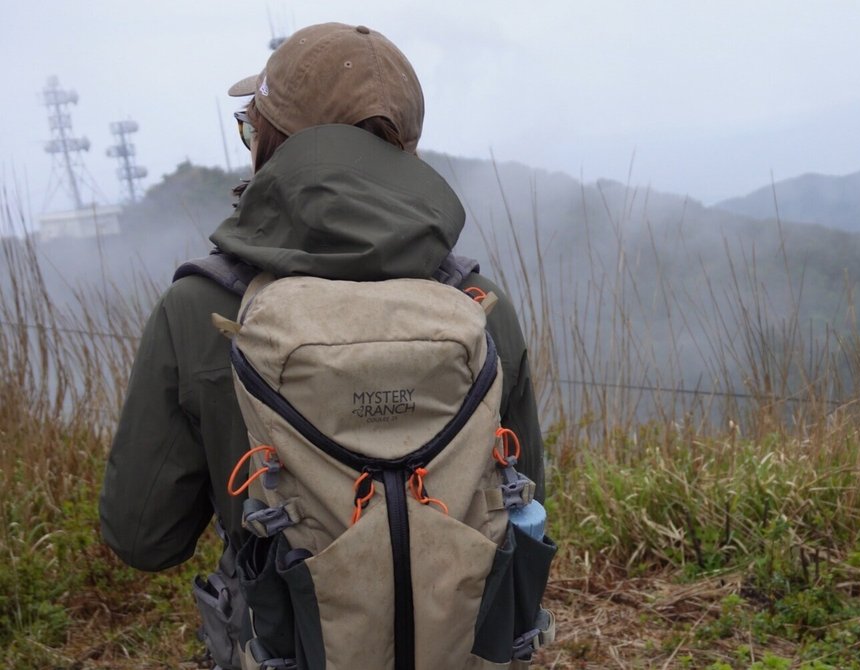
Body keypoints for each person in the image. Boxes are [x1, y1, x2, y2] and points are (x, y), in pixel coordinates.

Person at [99, 22, 545, 668]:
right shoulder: (480, 308)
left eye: (251, 131)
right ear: (405, 154)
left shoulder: (201, 310)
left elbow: (144, 537)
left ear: (273, 147)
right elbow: (524, 512)